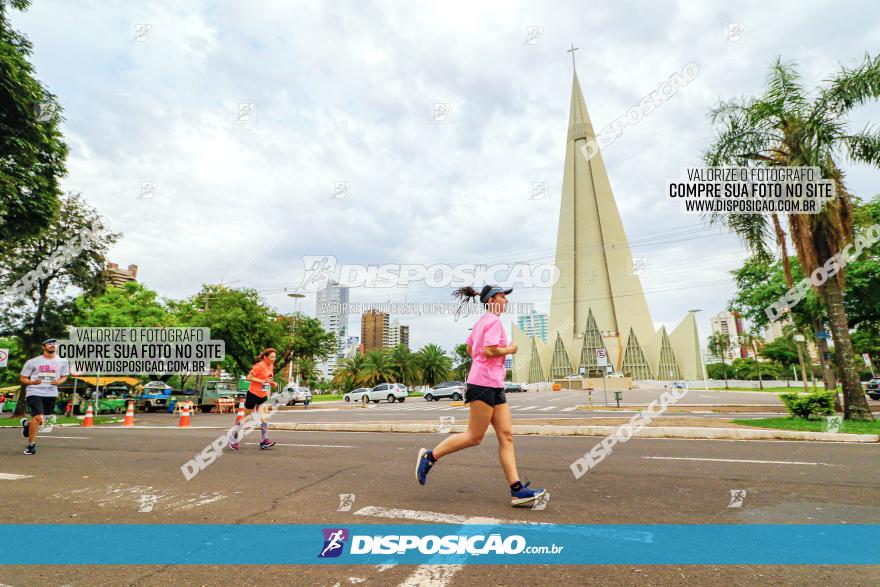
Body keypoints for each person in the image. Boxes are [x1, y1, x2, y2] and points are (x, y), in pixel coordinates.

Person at [415, 285, 546, 506]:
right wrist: (511, 350)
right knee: (474, 437)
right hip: (483, 384)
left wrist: (486, 358)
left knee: (506, 436)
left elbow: (470, 350)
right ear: (492, 299)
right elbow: (488, 350)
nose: (506, 300)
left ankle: (517, 491)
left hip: (494, 384)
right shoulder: (493, 321)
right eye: (503, 296)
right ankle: (430, 456)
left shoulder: (480, 323)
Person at [20, 339, 69, 455]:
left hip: (51, 393)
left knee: (43, 420)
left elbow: (64, 376)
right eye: (49, 344)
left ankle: (27, 425)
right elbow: (23, 378)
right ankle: (31, 446)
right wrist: (32, 382)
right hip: (34, 392)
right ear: (43, 347)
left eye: (54, 344)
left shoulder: (62, 361)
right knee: (38, 417)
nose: (52, 346)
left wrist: (59, 382)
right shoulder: (33, 362)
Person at [228, 348, 278, 450]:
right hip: (253, 394)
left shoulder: (271, 366)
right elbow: (249, 377)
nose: (273, 359)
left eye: (274, 357)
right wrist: (262, 380)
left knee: (264, 417)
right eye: (271, 357)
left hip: (263, 395)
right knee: (246, 417)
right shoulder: (259, 366)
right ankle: (234, 438)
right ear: (265, 357)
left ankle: (264, 440)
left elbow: (267, 379)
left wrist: (271, 382)